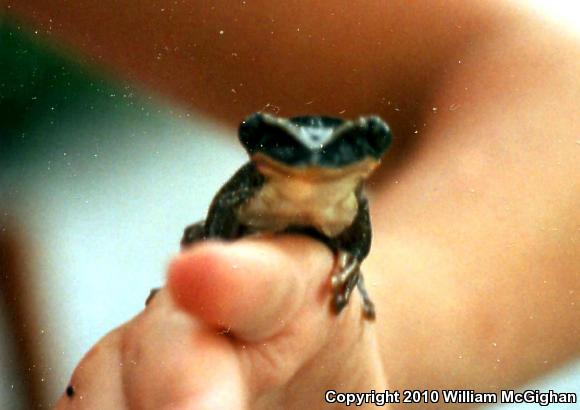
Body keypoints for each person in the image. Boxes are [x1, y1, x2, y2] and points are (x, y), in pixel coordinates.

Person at [9, 1, 579, 408]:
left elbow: (562, 101)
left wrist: (352, 350)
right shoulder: (253, 193)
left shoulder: (344, 208)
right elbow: (218, 221)